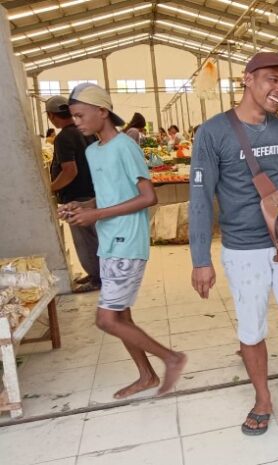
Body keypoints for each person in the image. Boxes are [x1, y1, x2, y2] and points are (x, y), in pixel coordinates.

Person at [189, 52, 278, 437]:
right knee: (251, 329)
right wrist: (200, 259)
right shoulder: (212, 132)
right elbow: (200, 198)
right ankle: (262, 400)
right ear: (247, 79)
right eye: (272, 80)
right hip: (243, 249)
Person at [61, 83, 187, 399]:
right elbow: (107, 198)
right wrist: (83, 208)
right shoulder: (93, 151)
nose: (76, 122)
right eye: (73, 117)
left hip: (127, 240)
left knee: (107, 319)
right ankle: (146, 375)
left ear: (102, 111)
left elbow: (148, 197)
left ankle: (171, 358)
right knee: (121, 315)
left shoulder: (125, 146)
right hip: (109, 242)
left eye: (80, 115)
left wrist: (97, 215)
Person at [45, 95, 101, 292]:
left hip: (77, 197)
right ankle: (97, 274)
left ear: (52, 116)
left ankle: (97, 278)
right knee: (94, 238)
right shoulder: (87, 132)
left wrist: (49, 188)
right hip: (93, 192)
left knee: (85, 241)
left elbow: (70, 170)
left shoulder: (63, 138)